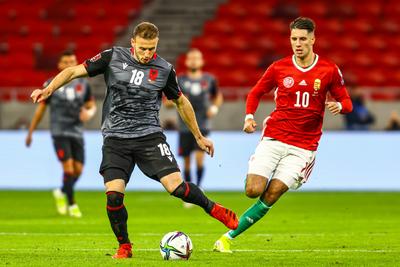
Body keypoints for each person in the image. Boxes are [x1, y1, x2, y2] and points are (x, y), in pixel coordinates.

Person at [30, 22, 238, 259]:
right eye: (142, 48)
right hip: (115, 138)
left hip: (149, 136)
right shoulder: (112, 57)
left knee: (176, 187)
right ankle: (125, 246)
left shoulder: (164, 69)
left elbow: (181, 101)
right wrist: (49, 89)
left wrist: (199, 136)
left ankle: (215, 209)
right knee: (114, 194)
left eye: (151, 49)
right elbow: (72, 71)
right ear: (133, 43)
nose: (147, 54)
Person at [213, 17, 353, 253]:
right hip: (275, 137)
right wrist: (248, 116)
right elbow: (256, 92)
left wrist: (341, 107)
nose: (297, 44)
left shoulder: (328, 70)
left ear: (312, 39)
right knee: (253, 190)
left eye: (302, 39)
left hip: (303, 147)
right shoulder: (279, 67)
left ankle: (227, 238)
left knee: (273, 193)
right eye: (294, 39)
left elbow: (347, 101)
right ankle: (255, 171)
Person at [26, 51, 96, 218]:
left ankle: (61, 191)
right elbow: (40, 110)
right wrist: (30, 132)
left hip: (77, 132)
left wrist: (90, 112)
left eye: (73, 61)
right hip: (59, 131)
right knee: (69, 169)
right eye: (66, 62)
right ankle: (72, 204)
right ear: (60, 65)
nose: (70, 64)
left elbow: (91, 105)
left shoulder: (83, 85)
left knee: (78, 170)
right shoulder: (51, 84)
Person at [177, 48, 223, 190]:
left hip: (203, 124)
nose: (194, 61)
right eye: (191, 58)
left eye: (196, 58)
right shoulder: (180, 80)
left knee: (199, 158)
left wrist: (214, 108)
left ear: (202, 61)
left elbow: (218, 96)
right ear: (186, 61)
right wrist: (177, 101)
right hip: (184, 125)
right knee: (186, 161)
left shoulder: (209, 79)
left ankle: (199, 186)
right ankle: (189, 190)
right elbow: (167, 101)